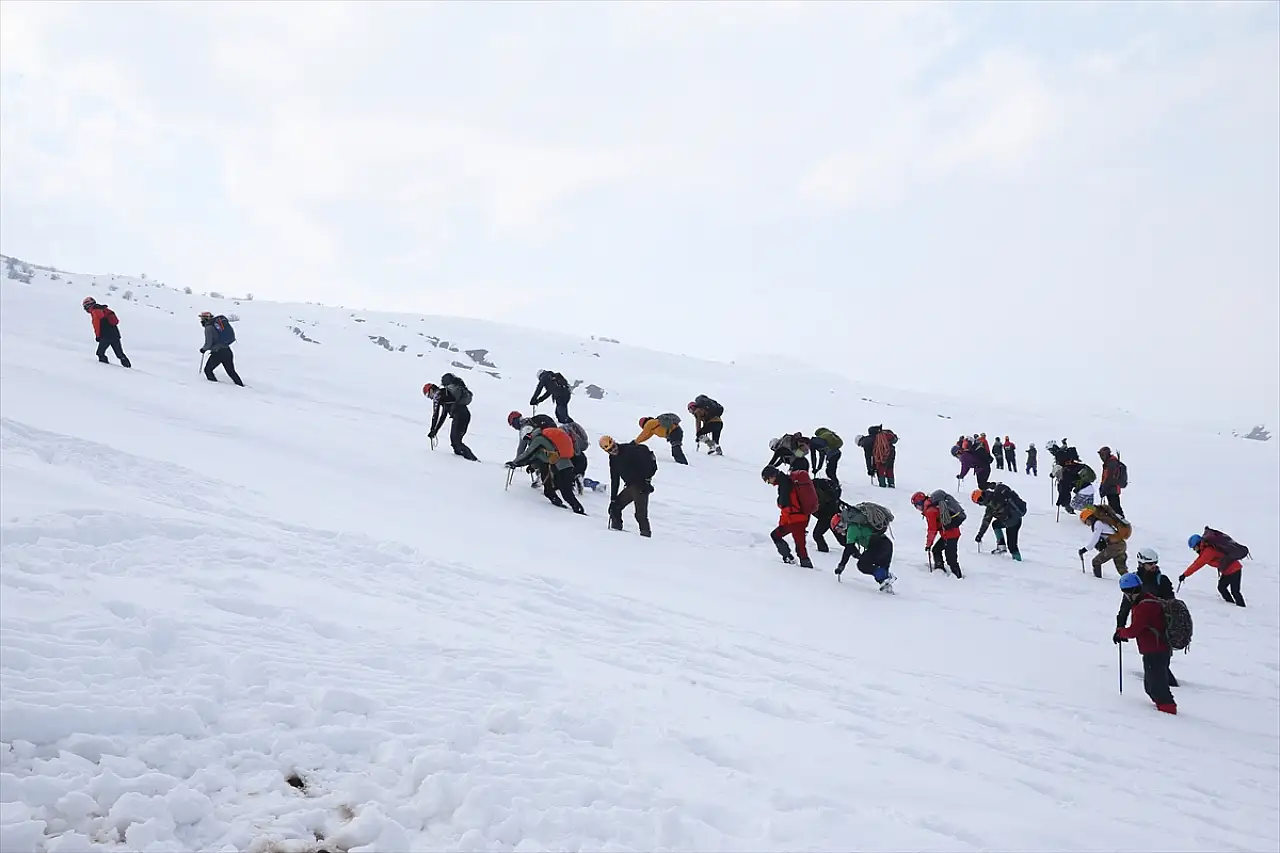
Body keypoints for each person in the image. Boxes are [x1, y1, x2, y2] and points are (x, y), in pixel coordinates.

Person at [1114, 572, 1177, 715]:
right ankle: (1163, 711)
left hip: (1156, 650)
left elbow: (1135, 630)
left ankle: (1169, 714)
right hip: (1155, 649)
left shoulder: (1144, 606)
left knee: (1157, 687)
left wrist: (1120, 633)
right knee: (1151, 685)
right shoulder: (1147, 600)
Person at [1116, 548, 1179, 688]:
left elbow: (1171, 603)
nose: (1154, 566)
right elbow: (1125, 607)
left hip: (1161, 628)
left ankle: (1167, 690)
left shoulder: (1162, 580)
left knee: (1159, 662)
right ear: (1141, 563)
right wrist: (1120, 627)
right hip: (1144, 628)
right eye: (1150, 563)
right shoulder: (1132, 581)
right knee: (1154, 660)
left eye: (1155, 563)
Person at [507, 424, 585, 513]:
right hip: (561, 466)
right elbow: (537, 456)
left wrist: (515, 462)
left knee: (566, 492)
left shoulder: (538, 439)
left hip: (562, 467)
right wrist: (530, 465)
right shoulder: (543, 439)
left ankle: (579, 511)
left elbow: (529, 453)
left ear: (528, 435)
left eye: (527, 439)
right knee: (556, 490)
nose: (528, 442)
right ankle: (562, 504)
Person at [600, 435, 656, 536]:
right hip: (630, 486)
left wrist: (646, 482)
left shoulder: (629, 450)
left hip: (641, 486)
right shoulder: (613, 459)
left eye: (613, 446)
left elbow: (645, 465)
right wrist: (613, 499)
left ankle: (646, 537)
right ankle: (616, 531)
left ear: (615, 442)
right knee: (615, 508)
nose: (614, 450)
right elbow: (615, 479)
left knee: (640, 515)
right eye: (610, 450)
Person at [761, 465, 815, 568]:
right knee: (799, 545)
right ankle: (795, 561)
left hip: (796, 519)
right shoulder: (787, 481)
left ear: (772, 476)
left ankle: (798, 564)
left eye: (768, 480)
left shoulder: (784, 485)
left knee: (799, 547)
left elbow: (786, 508)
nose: (769, 482)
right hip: (801, 517)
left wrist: (782, 524)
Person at [833, 514, 897, 593]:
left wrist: (841, 565)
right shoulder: (856, 526)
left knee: (862, 565)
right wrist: (857, 554)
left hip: (878, 546)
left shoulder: (851, 529)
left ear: (841, 524)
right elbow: (851, 548)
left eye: (837, 529)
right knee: (882, 576)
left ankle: (887, 577)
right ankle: (888, 590)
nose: (838, 532)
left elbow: (848, 549)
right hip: (886, 544)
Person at [1182, 532, 1246, 607]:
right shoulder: (1205, 550)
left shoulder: (1208, 551)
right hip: (1227, 571)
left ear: (1198, 544)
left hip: (1235, 569)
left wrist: (1185, 575)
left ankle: (1242, 608)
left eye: (1194, 547)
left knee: (1235, 592)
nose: (1194, 550)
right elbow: (1198, 562)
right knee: (1221, 587)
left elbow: (1197, 564)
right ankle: (1231, 606)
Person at [424, 373, 477, 461]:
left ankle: (472, 461)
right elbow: (443, 416)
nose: (430, 398)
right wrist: (435, 431)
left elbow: (436, 415)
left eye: (428, 395)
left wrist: (432, 430)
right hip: (464, 416)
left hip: (459, 417)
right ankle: (465, 460)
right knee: (455, 442)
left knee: (456, 442)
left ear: (431, 390)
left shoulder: (438, 395)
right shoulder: (446, 396)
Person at [912, 490, 963, 577]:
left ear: (920, 503)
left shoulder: (930, 511)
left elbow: (932, 530)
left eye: (916, 506)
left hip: (950, 535)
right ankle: (940, 569)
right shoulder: (931, 505)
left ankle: (958, 577)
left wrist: (928, 544)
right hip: (949, 533)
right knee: (936, 550)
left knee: (951, 559)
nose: (917, 509)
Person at [972, 484, 1025, 561]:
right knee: (996, 524)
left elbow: (985, 523)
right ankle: (1002, 546)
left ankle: (1018, 562)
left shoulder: (990, 507)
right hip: (1017, 518)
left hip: (1012, 523)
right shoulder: (996, 494)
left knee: (1012, 546)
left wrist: (980, 535)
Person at [1077, 505, 1128, 577]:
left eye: (1085, 522)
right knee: (1121, 569)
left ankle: (1098, 581)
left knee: (1096, 562)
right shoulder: (1101, 522)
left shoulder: (1098, 524)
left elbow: (1095, 540)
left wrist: (1084, 550)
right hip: (1121, 545)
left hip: (1115, 546)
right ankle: (1133, 582)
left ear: (1089, 518)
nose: (1086, 524)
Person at [82, 297, 132, 368]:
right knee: (119, 354)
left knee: (100, 353)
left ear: (88, 305)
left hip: (106, 336)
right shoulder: (104, 309)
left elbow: (97, 324)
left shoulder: (95, 310)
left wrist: (98, 336)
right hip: (115, 334)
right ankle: (128, 368)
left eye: (85, 307)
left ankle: (105, 368)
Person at [199, 311, 243, 386]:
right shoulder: (216, 325)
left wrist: (203, 349)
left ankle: (214, 387)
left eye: (202, 318)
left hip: (218, 353)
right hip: (227, 351)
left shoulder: (209, 328)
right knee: (231, 371)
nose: (201, 320)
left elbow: (208, 343)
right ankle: (241, 386)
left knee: (208, 370)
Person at [811, 477, 843, 553]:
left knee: (817, 535)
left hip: (826, 515)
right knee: (841, 538)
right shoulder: (818, 484)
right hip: (833, 513)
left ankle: (824, 552)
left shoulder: (812, 489)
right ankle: (854, 552)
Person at [1098, 447, 1127, 516]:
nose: (1101, 457)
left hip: (1112, 489)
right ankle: (1118, 522)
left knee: (1115, 508)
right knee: (1113, 507)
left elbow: (1109, 478)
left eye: (1102, 455)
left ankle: (1122, 524)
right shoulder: (1109, 463)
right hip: (1111, 489)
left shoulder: (1111, 463)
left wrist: (1103, 489)